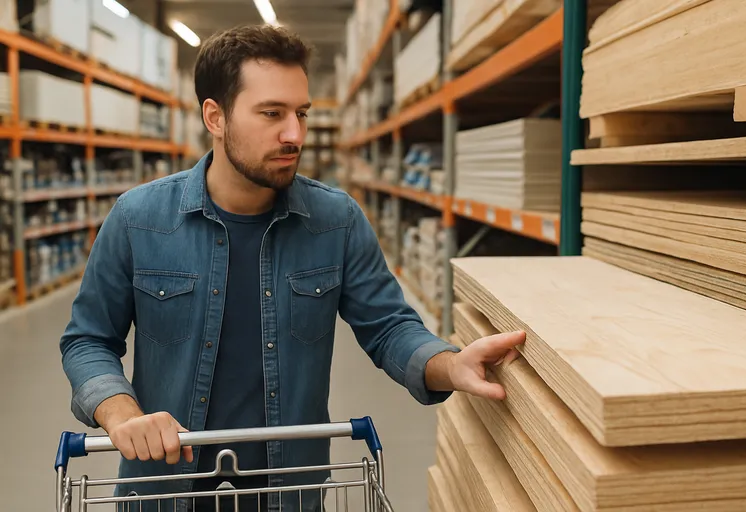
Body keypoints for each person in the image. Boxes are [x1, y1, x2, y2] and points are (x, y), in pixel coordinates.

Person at [59, 24, 525, 512]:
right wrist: (123, 414)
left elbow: (389, 328)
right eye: (272, 114)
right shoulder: (138, 219)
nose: (294, 134)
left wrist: (450, 364)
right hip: (164, 491)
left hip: (287, 493)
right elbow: (88, 339)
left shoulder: (336, 221)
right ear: (214, 117)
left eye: (301, 113)